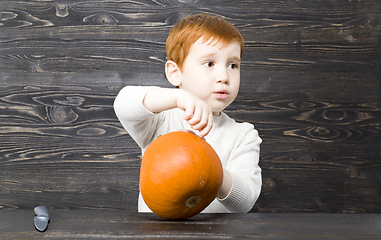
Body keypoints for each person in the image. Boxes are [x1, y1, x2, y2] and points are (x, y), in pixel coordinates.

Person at [114, 13, 262, 213]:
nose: (224, 76)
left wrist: (207, 168)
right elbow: (123, 103)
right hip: (157, 233)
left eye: (232, 65)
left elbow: (245, 202)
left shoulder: (244, 135)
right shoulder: (161, 118)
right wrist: (178, 98)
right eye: (210, 64)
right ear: (176, 73)